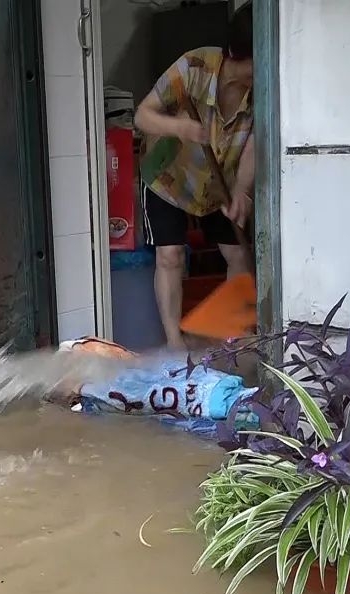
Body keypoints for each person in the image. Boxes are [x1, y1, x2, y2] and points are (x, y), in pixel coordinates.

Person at [134, 2, 255, 351]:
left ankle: (231, 337)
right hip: (169, 178)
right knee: (170, 255)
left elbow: (254, 142)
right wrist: (180, 128)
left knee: (238, 256)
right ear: (238, 54)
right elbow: (143, 116)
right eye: (258, 60)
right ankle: (175, 343)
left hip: (219, 184)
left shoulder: (263, 90)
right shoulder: (194, 67)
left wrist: (242, 191)